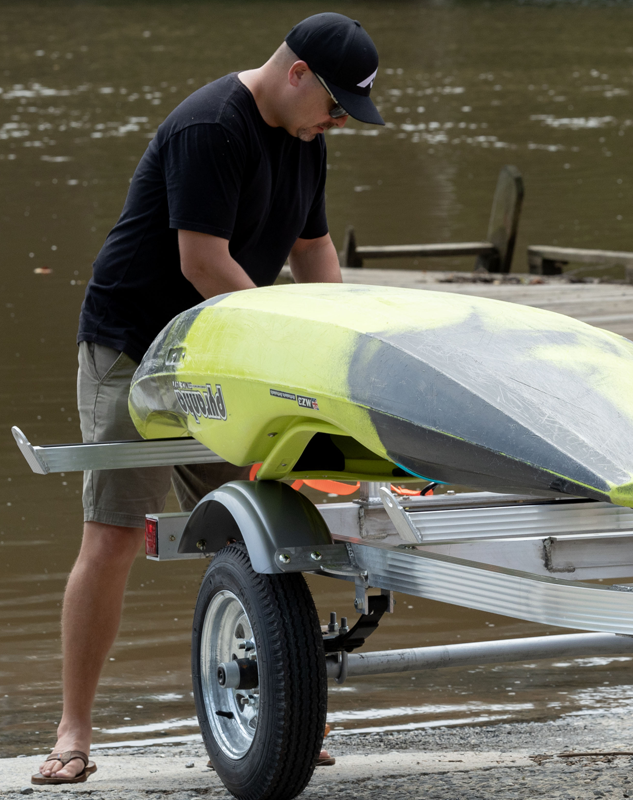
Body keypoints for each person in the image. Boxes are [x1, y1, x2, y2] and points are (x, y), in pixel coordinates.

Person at [35, 13, 384, 785]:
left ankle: (283, 717)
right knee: (116, 533)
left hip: (218, 348)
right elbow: (202, 263)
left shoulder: (305, 141)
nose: (338, 123)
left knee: (263, 529)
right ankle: (73, 731)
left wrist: (345, 342)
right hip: (135, 347)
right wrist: (283, 342)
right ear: (297, 74)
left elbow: (313, 248)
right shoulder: (209, 129)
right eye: (335, 105)